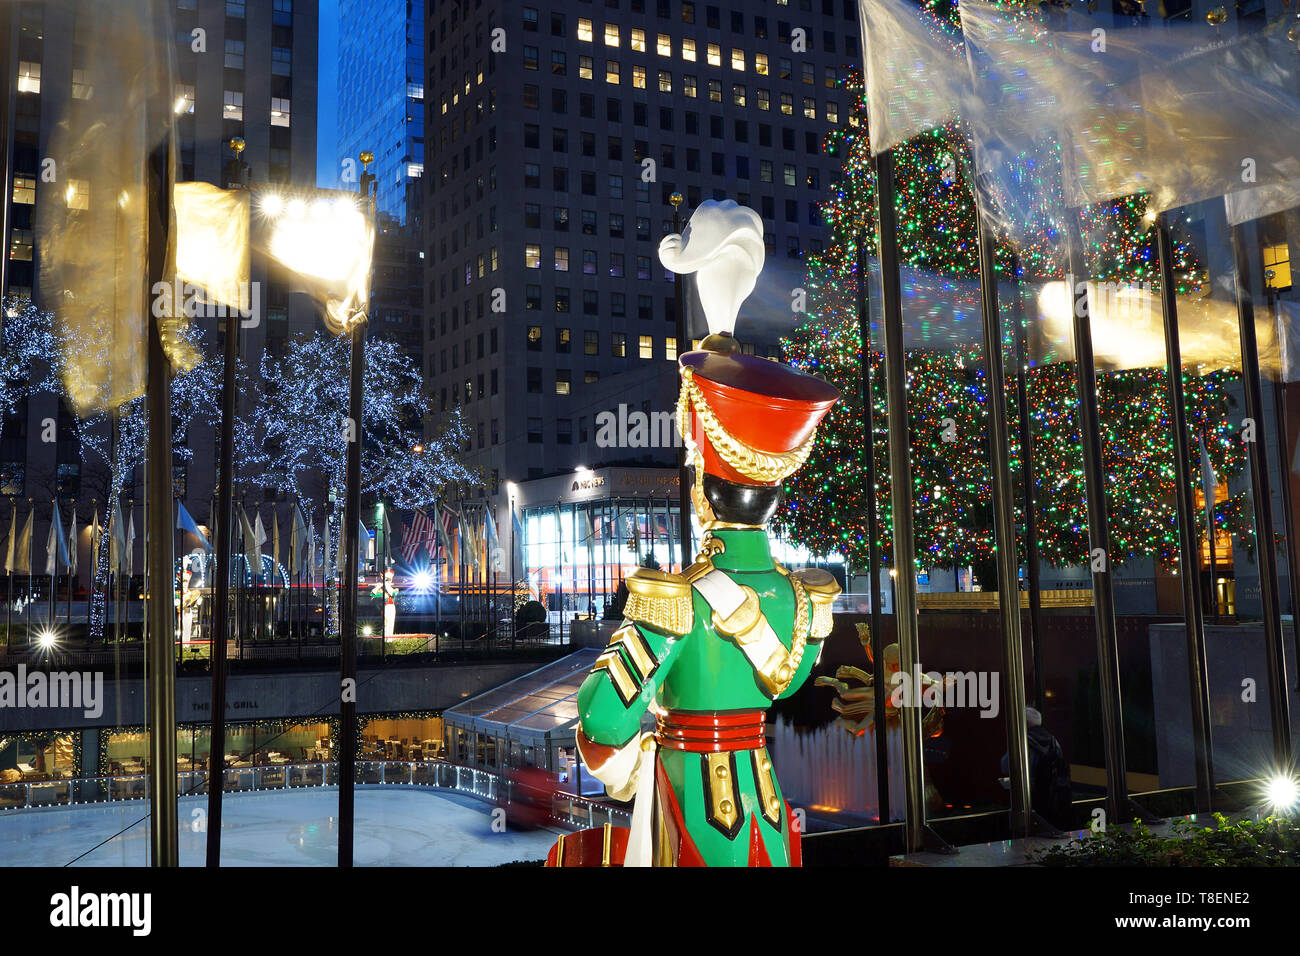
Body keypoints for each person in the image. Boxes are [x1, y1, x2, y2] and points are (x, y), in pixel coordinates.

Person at [554, 200, 841, 867]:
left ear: (702, 491)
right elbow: (790, 686)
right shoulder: (803, 600)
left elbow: (601, 721)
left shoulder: (674, 602)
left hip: (691, 826)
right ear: (770, 488)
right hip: (767, 823)